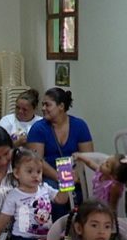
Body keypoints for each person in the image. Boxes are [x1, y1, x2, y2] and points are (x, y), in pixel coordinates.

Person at [27, 87, 93, 219]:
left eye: (48, 105)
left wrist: (74, 177)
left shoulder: (79, 126)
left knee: (85, 198)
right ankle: (57, 234)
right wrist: (62, 178)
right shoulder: (38, 129)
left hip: (75, 176)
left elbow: (87, 156)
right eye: (43, 105)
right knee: (55, 199)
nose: (44, 108)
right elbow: (37, 161)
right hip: (49, 177)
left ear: (61, 106)